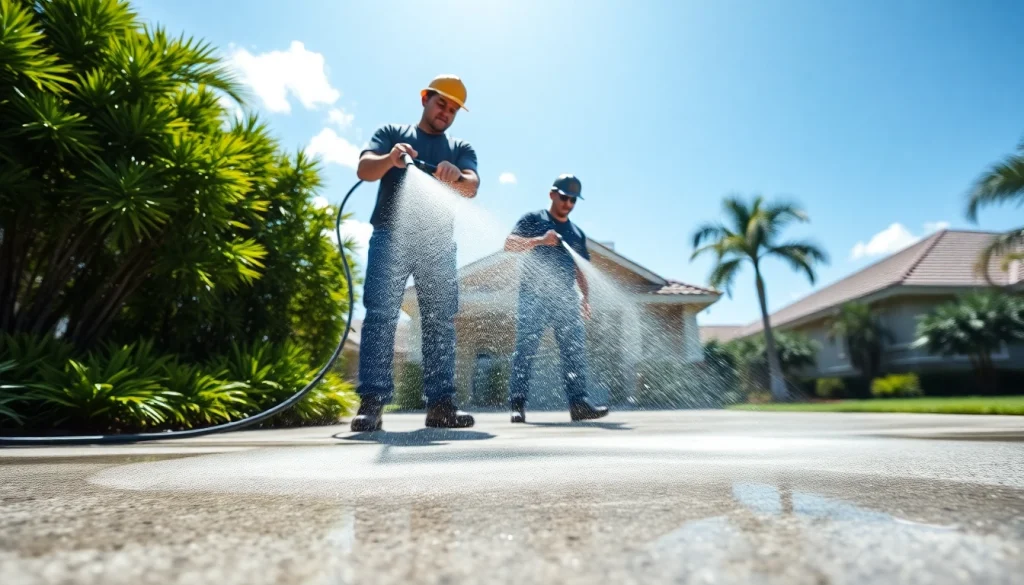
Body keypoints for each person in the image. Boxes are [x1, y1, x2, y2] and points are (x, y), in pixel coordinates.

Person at [350, 74, 480, 432]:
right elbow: (364, 168)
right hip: (391, 235)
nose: (446, 113)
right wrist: (391, 159)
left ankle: (441, 405)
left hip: (437, 241)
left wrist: (456, 176)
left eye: (453, 109)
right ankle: (371, 405)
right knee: (380, 316)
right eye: (442, 104)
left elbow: (471, 187)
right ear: (425, 98)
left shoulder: (459, 148)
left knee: (440, 321)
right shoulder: (393, 132)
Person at [503, 174, 610, 424]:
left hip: (565, 299)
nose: (568, 204)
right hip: (533, 295)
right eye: (564, 197)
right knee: (525, 350)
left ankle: (579, 405)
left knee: (574, 351)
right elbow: (508, 244)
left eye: (573, 200)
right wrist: (540, 240)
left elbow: (580, 269)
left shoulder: (576, 233)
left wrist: (585, 297)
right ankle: (517, 406)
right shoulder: (533, 219)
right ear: (552, 194)